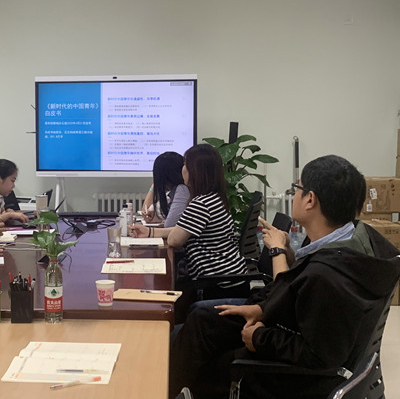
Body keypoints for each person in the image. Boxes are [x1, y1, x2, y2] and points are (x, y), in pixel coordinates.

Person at [169, 155, 400, 399]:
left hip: (288, 377)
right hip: (288, 328)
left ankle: (165, 388)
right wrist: (261, 309)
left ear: (310, 199)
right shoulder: (356, 240)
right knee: (201, 321)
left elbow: (318, 354)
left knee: (199, 354)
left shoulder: (327, 275)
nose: (294, 195)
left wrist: (259, 337)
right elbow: (303, 296)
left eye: (297, 189)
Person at [131, 144, 247, 295]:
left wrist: (152, 232)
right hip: (230, 279)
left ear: (196, 171)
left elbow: (174, 240)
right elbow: (183, 229)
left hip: (218, 285)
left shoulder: (201, 204)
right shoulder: (214, 198)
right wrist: (149, 232)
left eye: (186, 164)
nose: (182, 169)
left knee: (159, 292)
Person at [141, 152, 190, 228]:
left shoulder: (182, 190)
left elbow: (170, 225)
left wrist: (157, 183)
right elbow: (147, 210)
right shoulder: (173, 192)